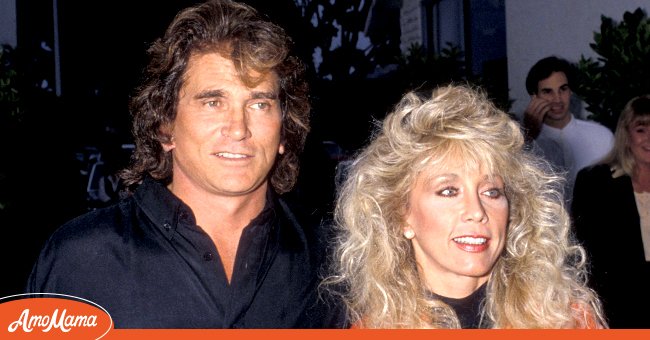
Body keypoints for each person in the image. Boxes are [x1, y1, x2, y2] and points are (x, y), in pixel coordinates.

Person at [26, 0, 343, 329]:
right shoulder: (80, 259)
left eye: (260, 104)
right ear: (165, 126)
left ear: (283, 130)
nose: (238, 128)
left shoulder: (333, 264)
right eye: (213, 102)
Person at [324, 84, 606, 328]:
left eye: (492, 191)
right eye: (449, 191)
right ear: (402, 215)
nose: (477, 211)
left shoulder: (567, 319)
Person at [571, 95, 650, 328]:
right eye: (641, 129)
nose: (649, 138)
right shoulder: (595, 182)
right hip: (619, 305)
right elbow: (586, 255)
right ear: (626, 135)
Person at [522, 56, 614, 203]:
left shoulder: (602, 137)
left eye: (563, 89)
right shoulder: (525, 143)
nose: (557, 99)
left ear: (571, 91)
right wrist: (528, 136)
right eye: (548, 91)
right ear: (534, 97)